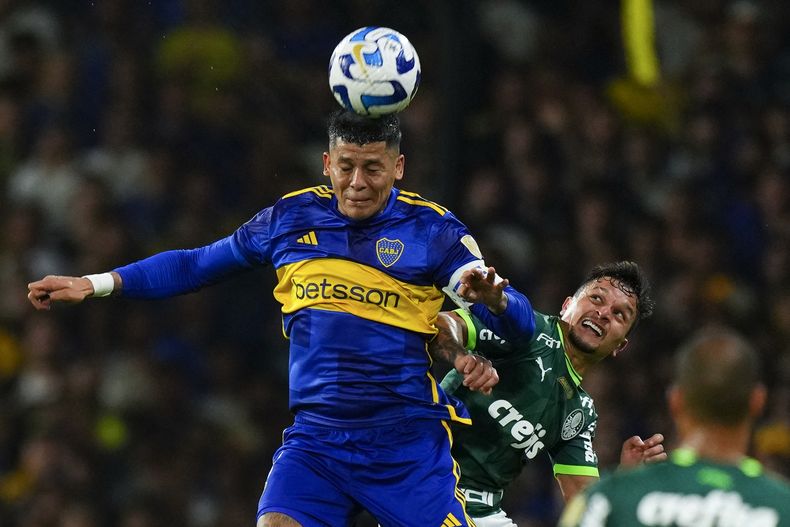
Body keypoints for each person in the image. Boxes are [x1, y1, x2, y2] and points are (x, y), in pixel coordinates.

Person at [27, 110, 501, 527]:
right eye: (346, 167)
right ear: (326, 164)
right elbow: (196, 264)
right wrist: (96, 282)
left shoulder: (432, 230)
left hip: (403, 445)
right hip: (318, 442)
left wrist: (490, 310)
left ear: (398, 167)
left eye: (373, 168)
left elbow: (499, 304)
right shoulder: (289, 220)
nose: (357, 182)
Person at [431, 261, 666, 527]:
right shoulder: (527, 331)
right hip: (429, 482)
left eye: (619, 314)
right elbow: (441, 324)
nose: (603, 313)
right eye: (596, 298)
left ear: (620, 346)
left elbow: (586, 508)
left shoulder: (579, 412)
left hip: (482, 510)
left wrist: (626, 478)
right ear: (567, 305)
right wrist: (462, 358)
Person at [558, 327, 790, 526]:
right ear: (758, 402)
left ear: (675, 401)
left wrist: (628, 485)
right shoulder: (781, 508)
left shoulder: (607, 501)